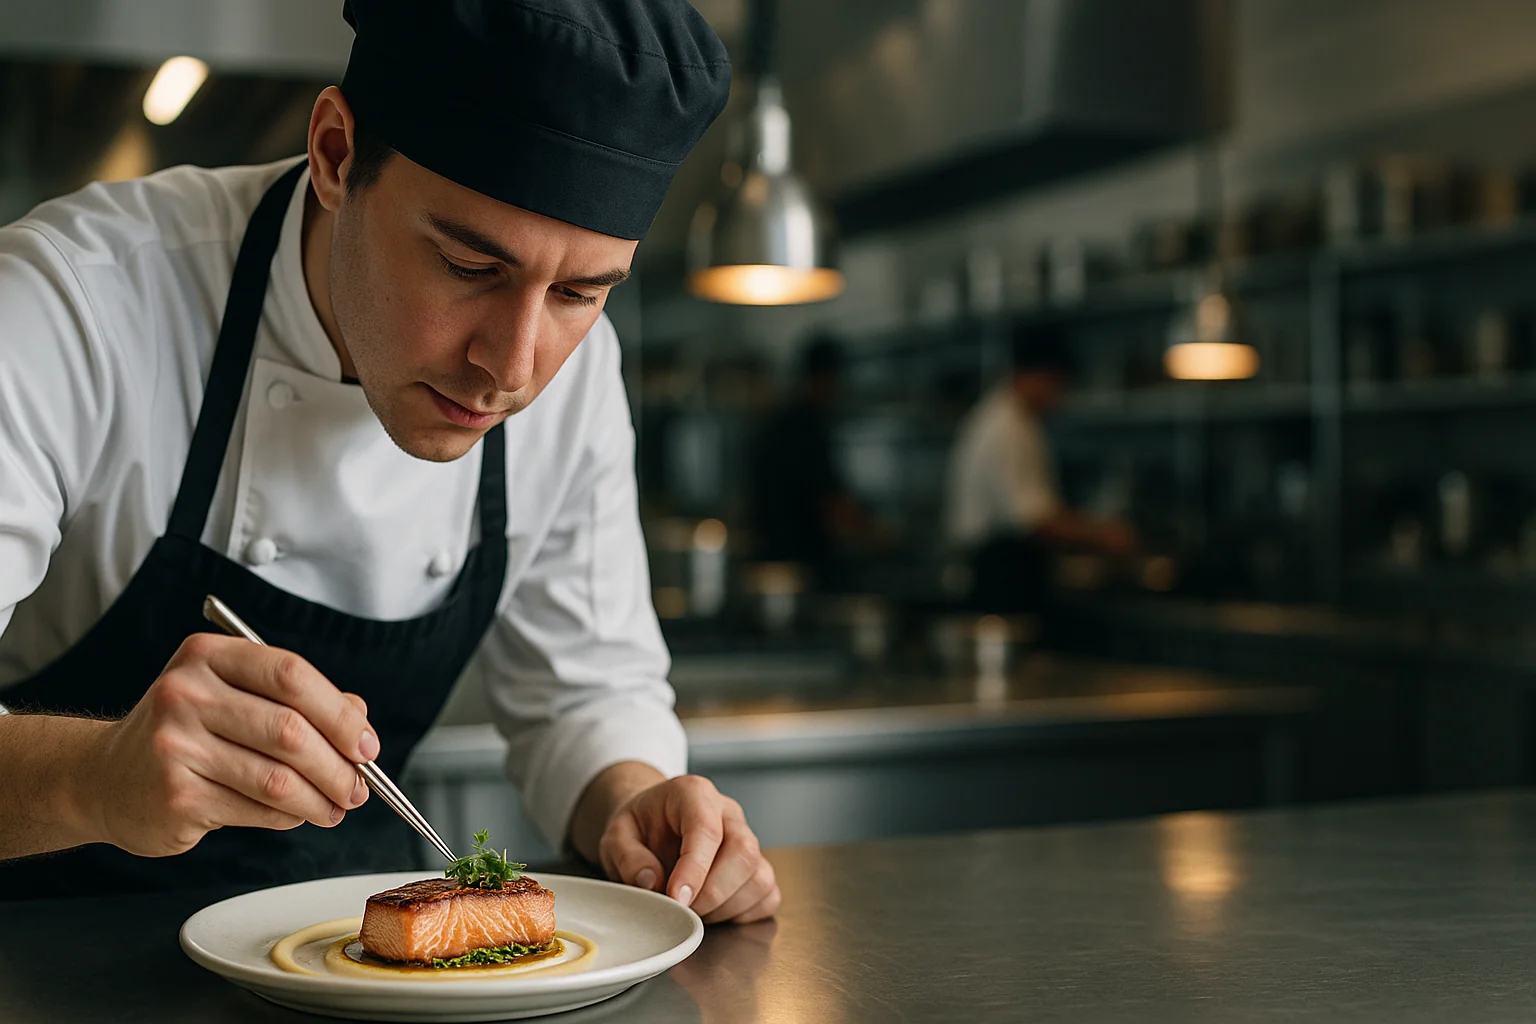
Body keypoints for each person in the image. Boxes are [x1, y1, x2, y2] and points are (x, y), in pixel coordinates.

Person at [0, 0, 779, 923]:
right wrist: (94, 780)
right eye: (467, 266)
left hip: (361, 945)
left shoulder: (573, 380)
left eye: (577, 293)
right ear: (335, 153)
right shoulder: (73, 302)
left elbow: (586, 693)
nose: (512, 367)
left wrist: (633, 802)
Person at [945, 323, 1135, 613]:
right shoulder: (1009, 427)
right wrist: (1103, 535)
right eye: (1058, 384)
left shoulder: (1004, 417)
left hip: (1003, 571)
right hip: (1001, 577)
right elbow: (1035, 521)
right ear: (1038, 376)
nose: (1060, 396)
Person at [748, 334, 873, 588]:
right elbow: (832, 506)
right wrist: (876, 536)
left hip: (772, 564)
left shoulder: (779, 424)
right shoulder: (805, 429)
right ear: (824, 378)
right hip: (800, 571)